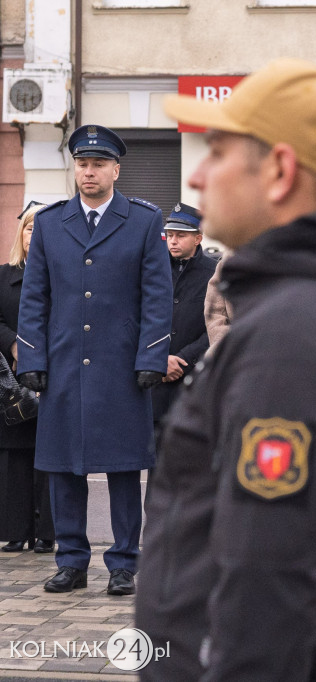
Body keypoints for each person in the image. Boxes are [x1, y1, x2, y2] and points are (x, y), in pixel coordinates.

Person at [136, 58, 316, 680]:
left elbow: (265, 575)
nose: (197, 174)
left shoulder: (295, 333)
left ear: (279, 170)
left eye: (217, 152)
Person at [18, 124, 172, 597]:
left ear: (115, 169)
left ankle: (124, 562)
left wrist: (152, 354)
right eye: (82, 163)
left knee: (125, 467)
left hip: (122, 368)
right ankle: (71, 560)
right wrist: (31, 357)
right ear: (76, 169)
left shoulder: (144, 221)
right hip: (63, 366)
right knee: (64, 467)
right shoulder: (49, 223)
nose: (89, 171)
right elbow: (34, 297)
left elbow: (157, 295)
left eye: (99, 163)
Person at [0, 203, 53, 554]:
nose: (35, 234)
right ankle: (15, 530)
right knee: (14, 456)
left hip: (52, 374)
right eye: (30, 228)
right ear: (21, 234)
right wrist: (13, 344)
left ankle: (48, 531)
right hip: (12, 381)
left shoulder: (61, 273)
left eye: (41, 228)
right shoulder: (3, 275)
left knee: (49, 455)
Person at [151, 203, 217, 440]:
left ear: (198, 238)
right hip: (155, 379)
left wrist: (185, 359)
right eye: (169, 235)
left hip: (194, 380)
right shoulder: (153, 269)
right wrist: (159, 359)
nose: (173, 241)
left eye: (181, 235)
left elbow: (218, 324)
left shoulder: (214, 273)